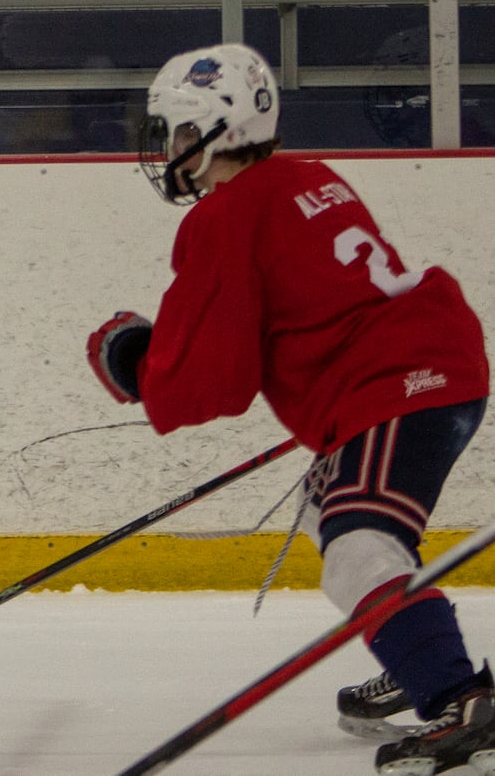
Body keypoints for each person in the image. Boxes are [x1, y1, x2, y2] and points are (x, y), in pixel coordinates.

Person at [85, 43, 492, 775]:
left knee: (357, 549)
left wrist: (134, 362)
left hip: (400, 380)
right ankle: (414, 645)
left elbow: (215, 376)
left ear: (222, 130)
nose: (169, 150)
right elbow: (309, 309)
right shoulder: (306, 177)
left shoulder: (224, 216)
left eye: (180, 132)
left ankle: (462, 699)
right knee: (323, 505)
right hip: (427, 363)